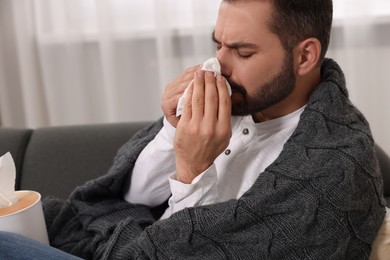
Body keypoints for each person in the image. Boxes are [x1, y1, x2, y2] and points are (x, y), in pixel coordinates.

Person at [0, 0, 386, 259]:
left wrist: (191, 175)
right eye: (218, 45)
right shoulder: (240, 97)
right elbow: (128, 197)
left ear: (305, 56)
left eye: (243, 52)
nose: (216, 65)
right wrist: (172, 132)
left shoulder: (336, 168)